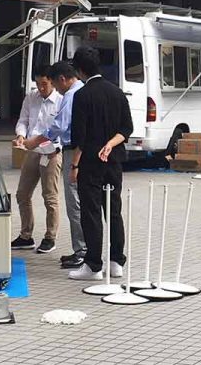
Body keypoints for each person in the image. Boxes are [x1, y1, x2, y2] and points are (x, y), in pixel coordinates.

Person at [68, 46, 133, 281]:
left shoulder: (82, 95)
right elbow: (127, 128)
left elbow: (79, 138)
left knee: (91, 212)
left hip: (91, 163)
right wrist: (111, 143)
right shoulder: (117, 93)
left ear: (80, 70)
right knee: (114, 211)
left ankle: (93, 265)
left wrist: (74, 166)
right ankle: (117, 262)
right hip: (114, 160)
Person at [28, 61, 86, 269]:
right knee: (78, 202)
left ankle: (82, 251)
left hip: (69, 151)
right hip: (74, 151)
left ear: (61, 79)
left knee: (74, 203)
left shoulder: (70, 95)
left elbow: (60, 126)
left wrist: (34, 141)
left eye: (52, 83)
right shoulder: (82, 90)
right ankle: (82, 250)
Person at [10, 71, 63, 254]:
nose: (41, 88)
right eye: (38, 84)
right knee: (22, 193)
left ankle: (50, 237)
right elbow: (23, 120)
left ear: (53, 83)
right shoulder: (31, 97)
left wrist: (39, 142)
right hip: (32, 150)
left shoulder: (61, 100)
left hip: (51, 152)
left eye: (45, 84)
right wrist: (20, 136)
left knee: (50, 196)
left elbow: (59, 130)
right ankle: (26, 235)